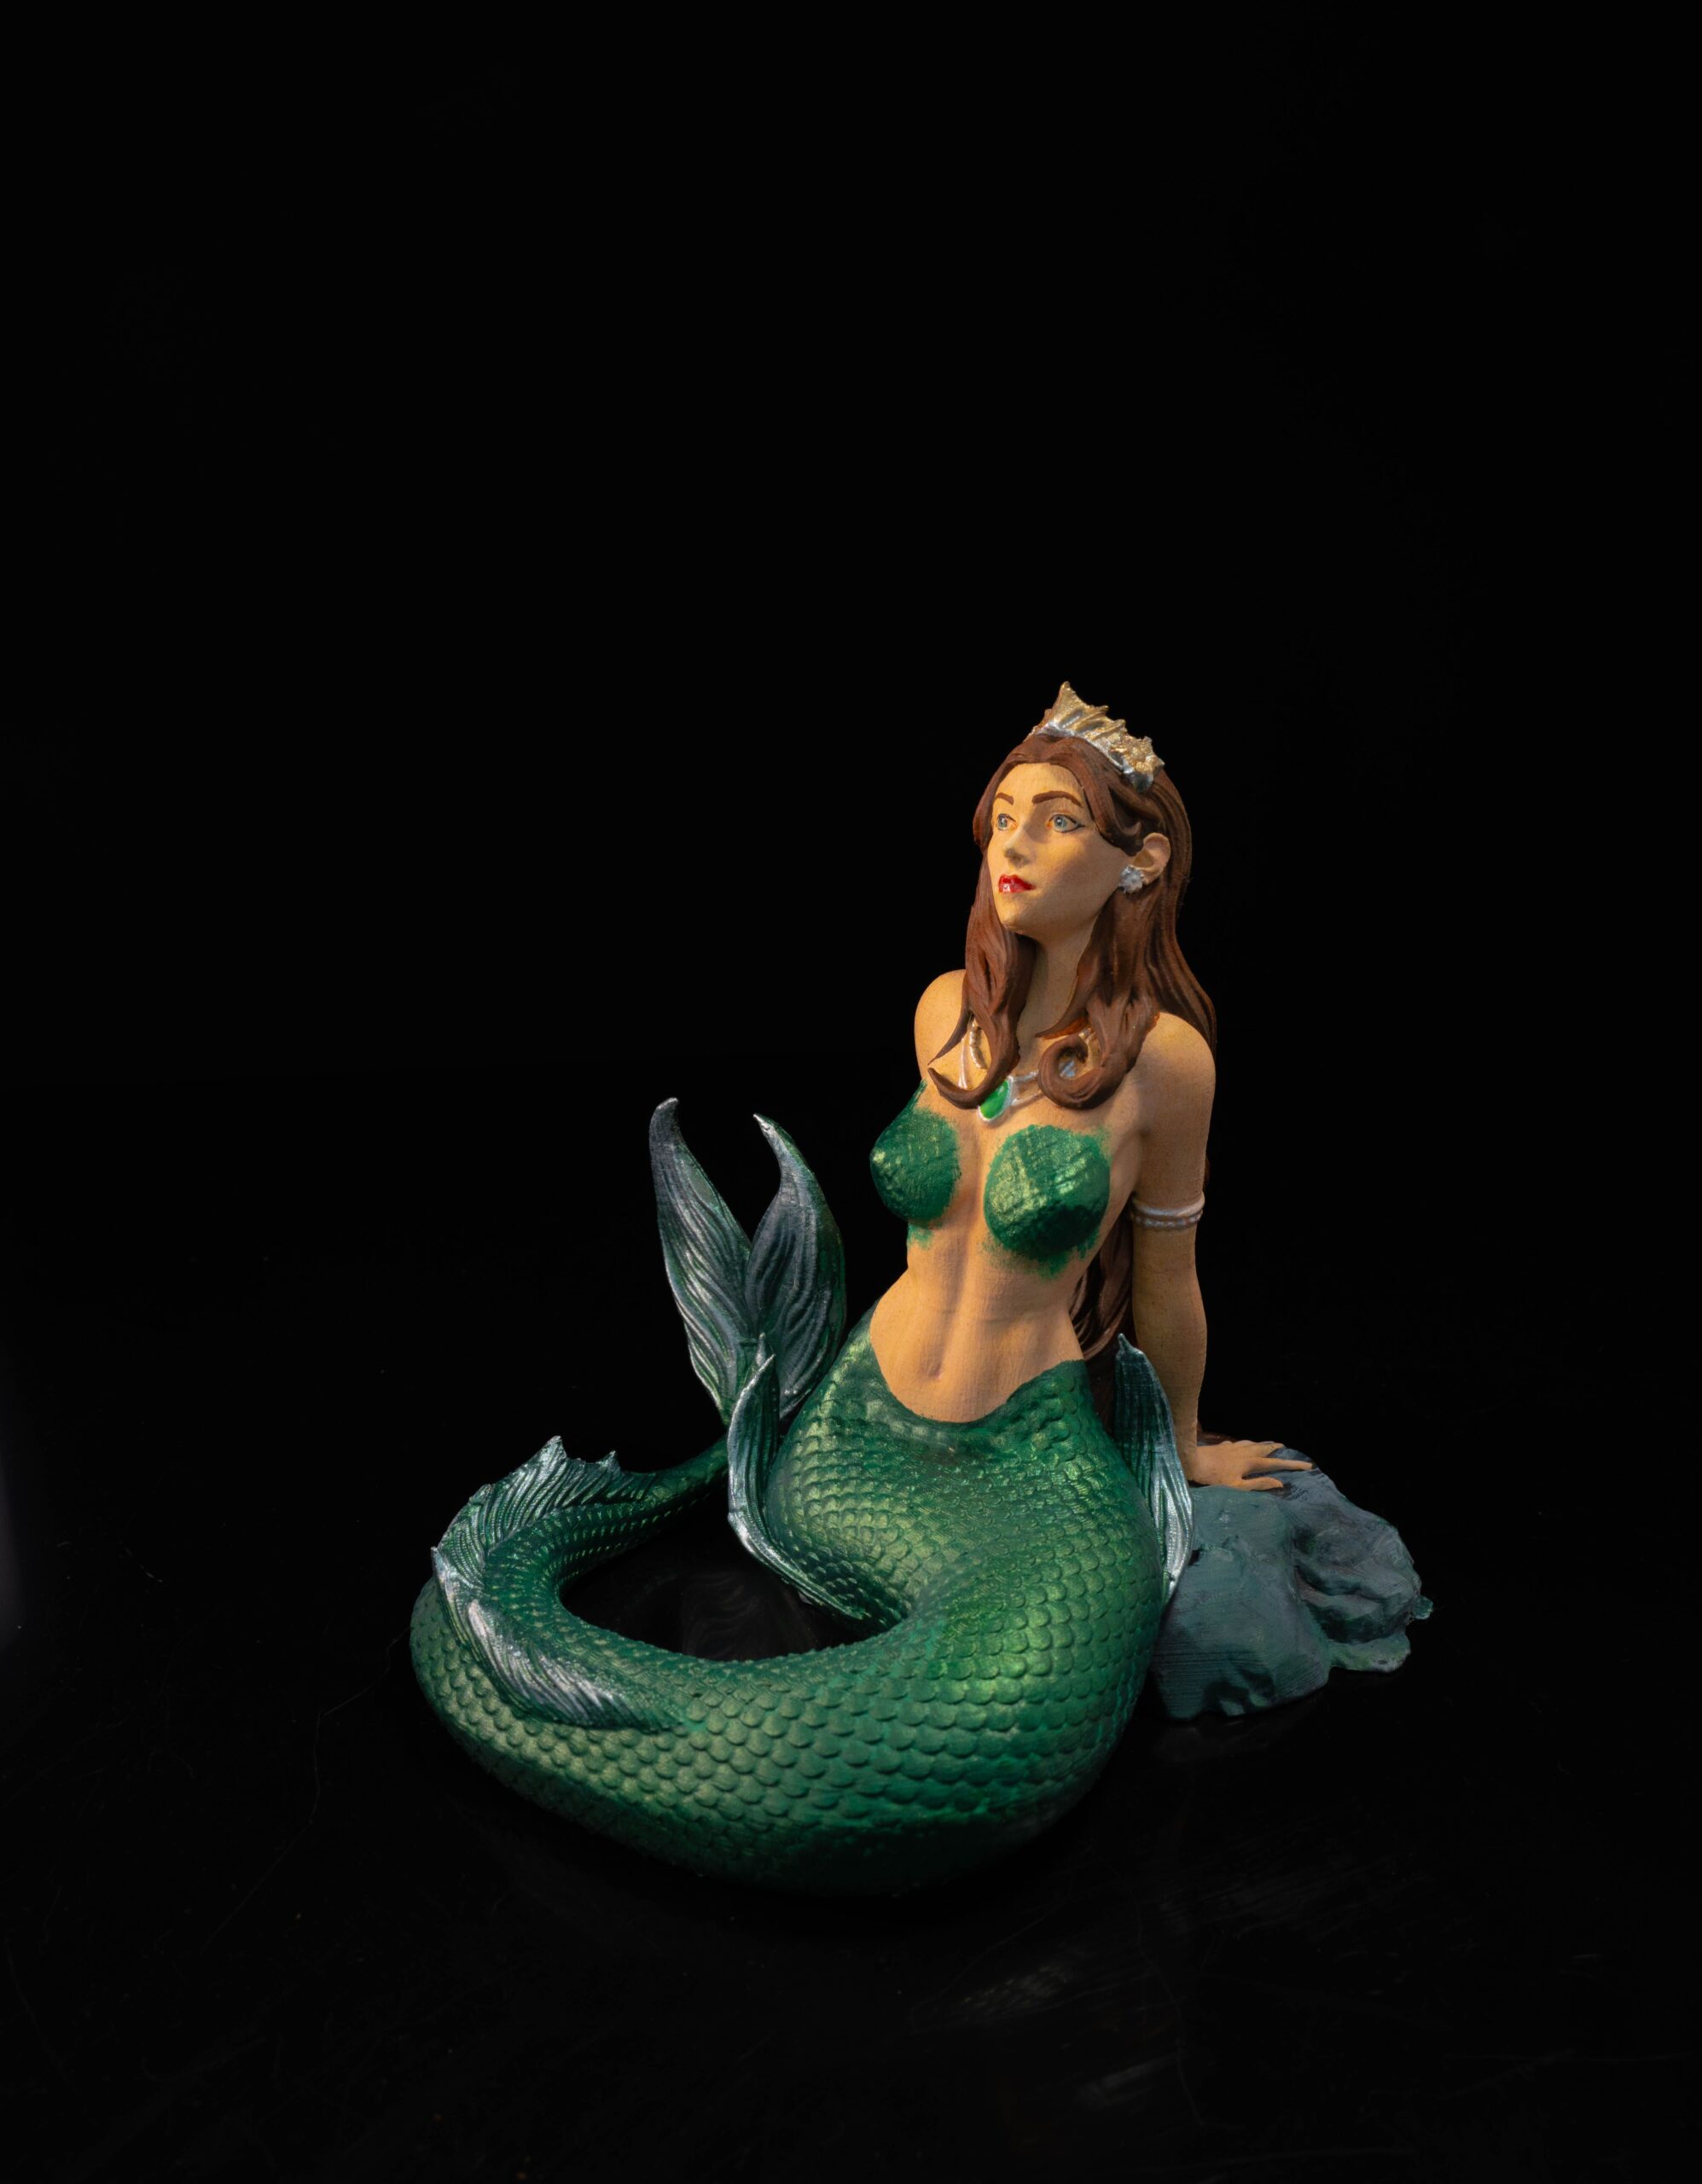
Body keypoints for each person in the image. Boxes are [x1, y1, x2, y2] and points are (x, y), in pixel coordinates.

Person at [410, 684, 1427, 1893]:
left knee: (987, 1727)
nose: (1014, 842)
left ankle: (570, 1687)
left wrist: (1189, 1441)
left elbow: (1170, 1276)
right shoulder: (946, 1011)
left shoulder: (1166, 1062)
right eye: (1005, 815)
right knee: (800, 1745)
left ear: (1142, 859)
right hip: (851, 1433)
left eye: (1057, 820)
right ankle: (501, 1632)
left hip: (1025, 1468)